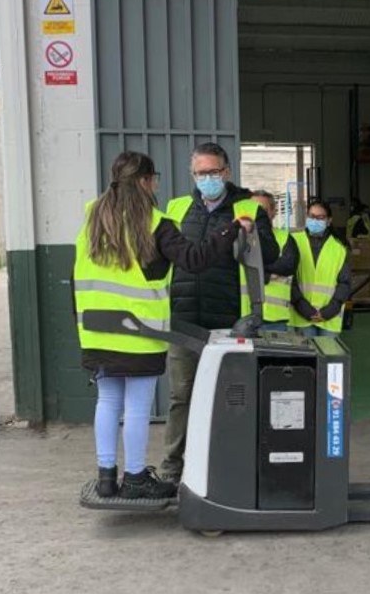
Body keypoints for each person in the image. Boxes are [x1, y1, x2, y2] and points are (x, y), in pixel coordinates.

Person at [74, 151, 241, 501]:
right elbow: (194, 260)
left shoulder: (92, 214)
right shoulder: (154, 222)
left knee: (107, 400)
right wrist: (230, 230)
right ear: (148, 181)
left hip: (95, 329)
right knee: (136, 406)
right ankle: (135, 477)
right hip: (138, 333)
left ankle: (106, 476)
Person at [160, 143, 278, 483]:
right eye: (201, 173)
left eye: (213, 172)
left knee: (229, 398)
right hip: (183, 318)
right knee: (181, 395)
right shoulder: (177, 207)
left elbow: (271, 254)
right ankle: (172, 468)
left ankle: (226, 465)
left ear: (226, 172)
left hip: (230, 320)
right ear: (192, 174)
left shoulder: (248, 209)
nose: (207, 179)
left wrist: (254, 232)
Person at [291, 199, 351, 337]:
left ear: (329, 220)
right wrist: (303, 307)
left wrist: (330, 310)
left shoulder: (340, 247)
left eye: (320, 217)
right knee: (307, 358)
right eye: (312, 216)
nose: (315, 220)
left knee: (329, 356)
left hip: (329, 316)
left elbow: (344, 282)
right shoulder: (294, 241)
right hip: (302, 315)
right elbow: (289, 280)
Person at [251, 190, 298, 332]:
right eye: (253, 209)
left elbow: (288, 266)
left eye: (263, 210)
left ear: (273, 212)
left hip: (275, 319)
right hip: (244, 317)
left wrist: (255, 267)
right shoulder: (238, 238)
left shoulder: (284, 238)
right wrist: (267, 275)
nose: (257, 214)